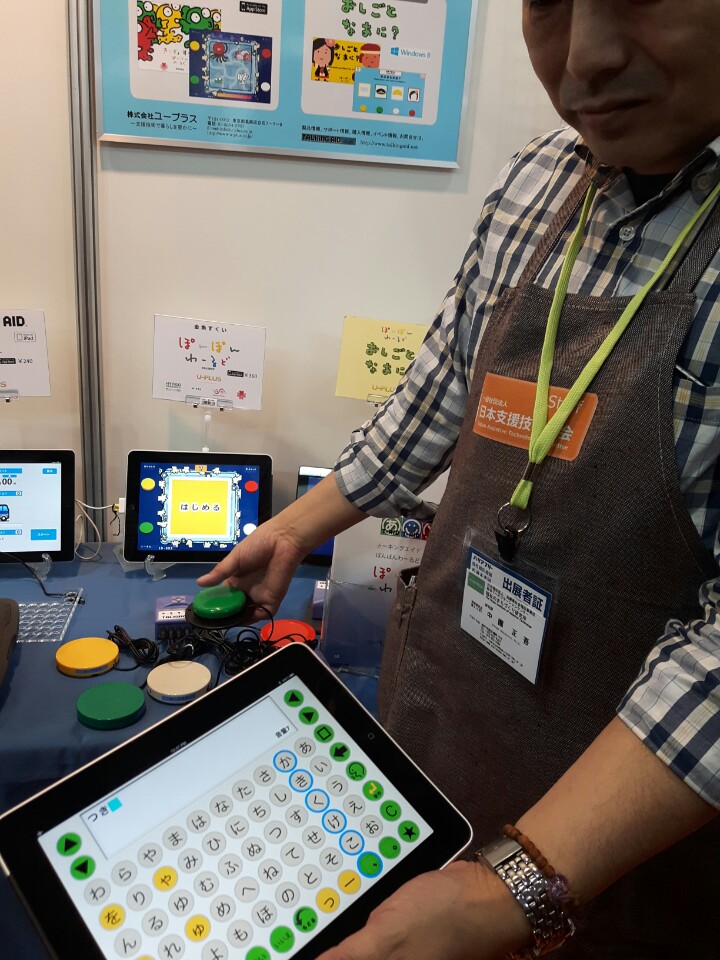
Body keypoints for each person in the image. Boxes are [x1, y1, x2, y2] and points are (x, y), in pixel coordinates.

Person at [200, 2, 720, 956]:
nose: (584, 59)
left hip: (625, 822)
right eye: (548, 3)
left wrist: (509, 889)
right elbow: (439, 391)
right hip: (454, 707)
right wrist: (296, 527)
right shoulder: (538, 182)